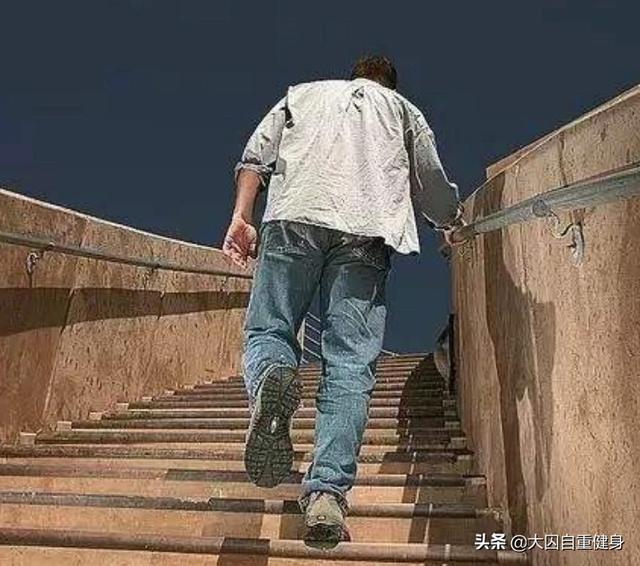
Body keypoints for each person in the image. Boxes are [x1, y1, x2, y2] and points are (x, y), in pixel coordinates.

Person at [222, 55, 464, 547]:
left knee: (270, 329)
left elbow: (254, 158)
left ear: (354, 75)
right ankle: (327, 494)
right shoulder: (402, 110)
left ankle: (270, 379)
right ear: (389, 84)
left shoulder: (302, 93)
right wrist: (450, 222)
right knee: (350, 365)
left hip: (292, 216)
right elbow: (431, 184)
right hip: (364, 231)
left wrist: (241, 217)